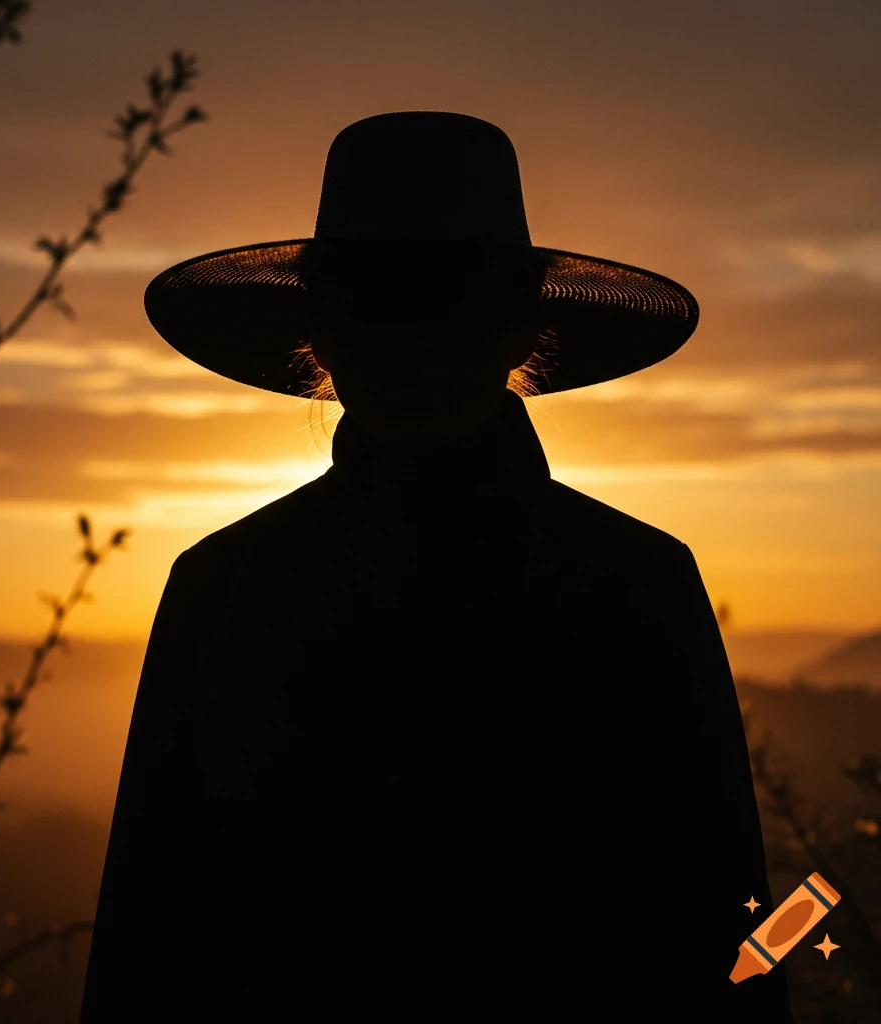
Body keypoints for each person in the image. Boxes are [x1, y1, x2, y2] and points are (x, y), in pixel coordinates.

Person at [80, 112, 793, 1021]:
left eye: (444, 301)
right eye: (378, 301)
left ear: (515, 329)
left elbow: (724, 935)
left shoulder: (639, 586)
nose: (412, 340)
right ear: (326, 335)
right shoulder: (217, 588)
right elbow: (148, 939)